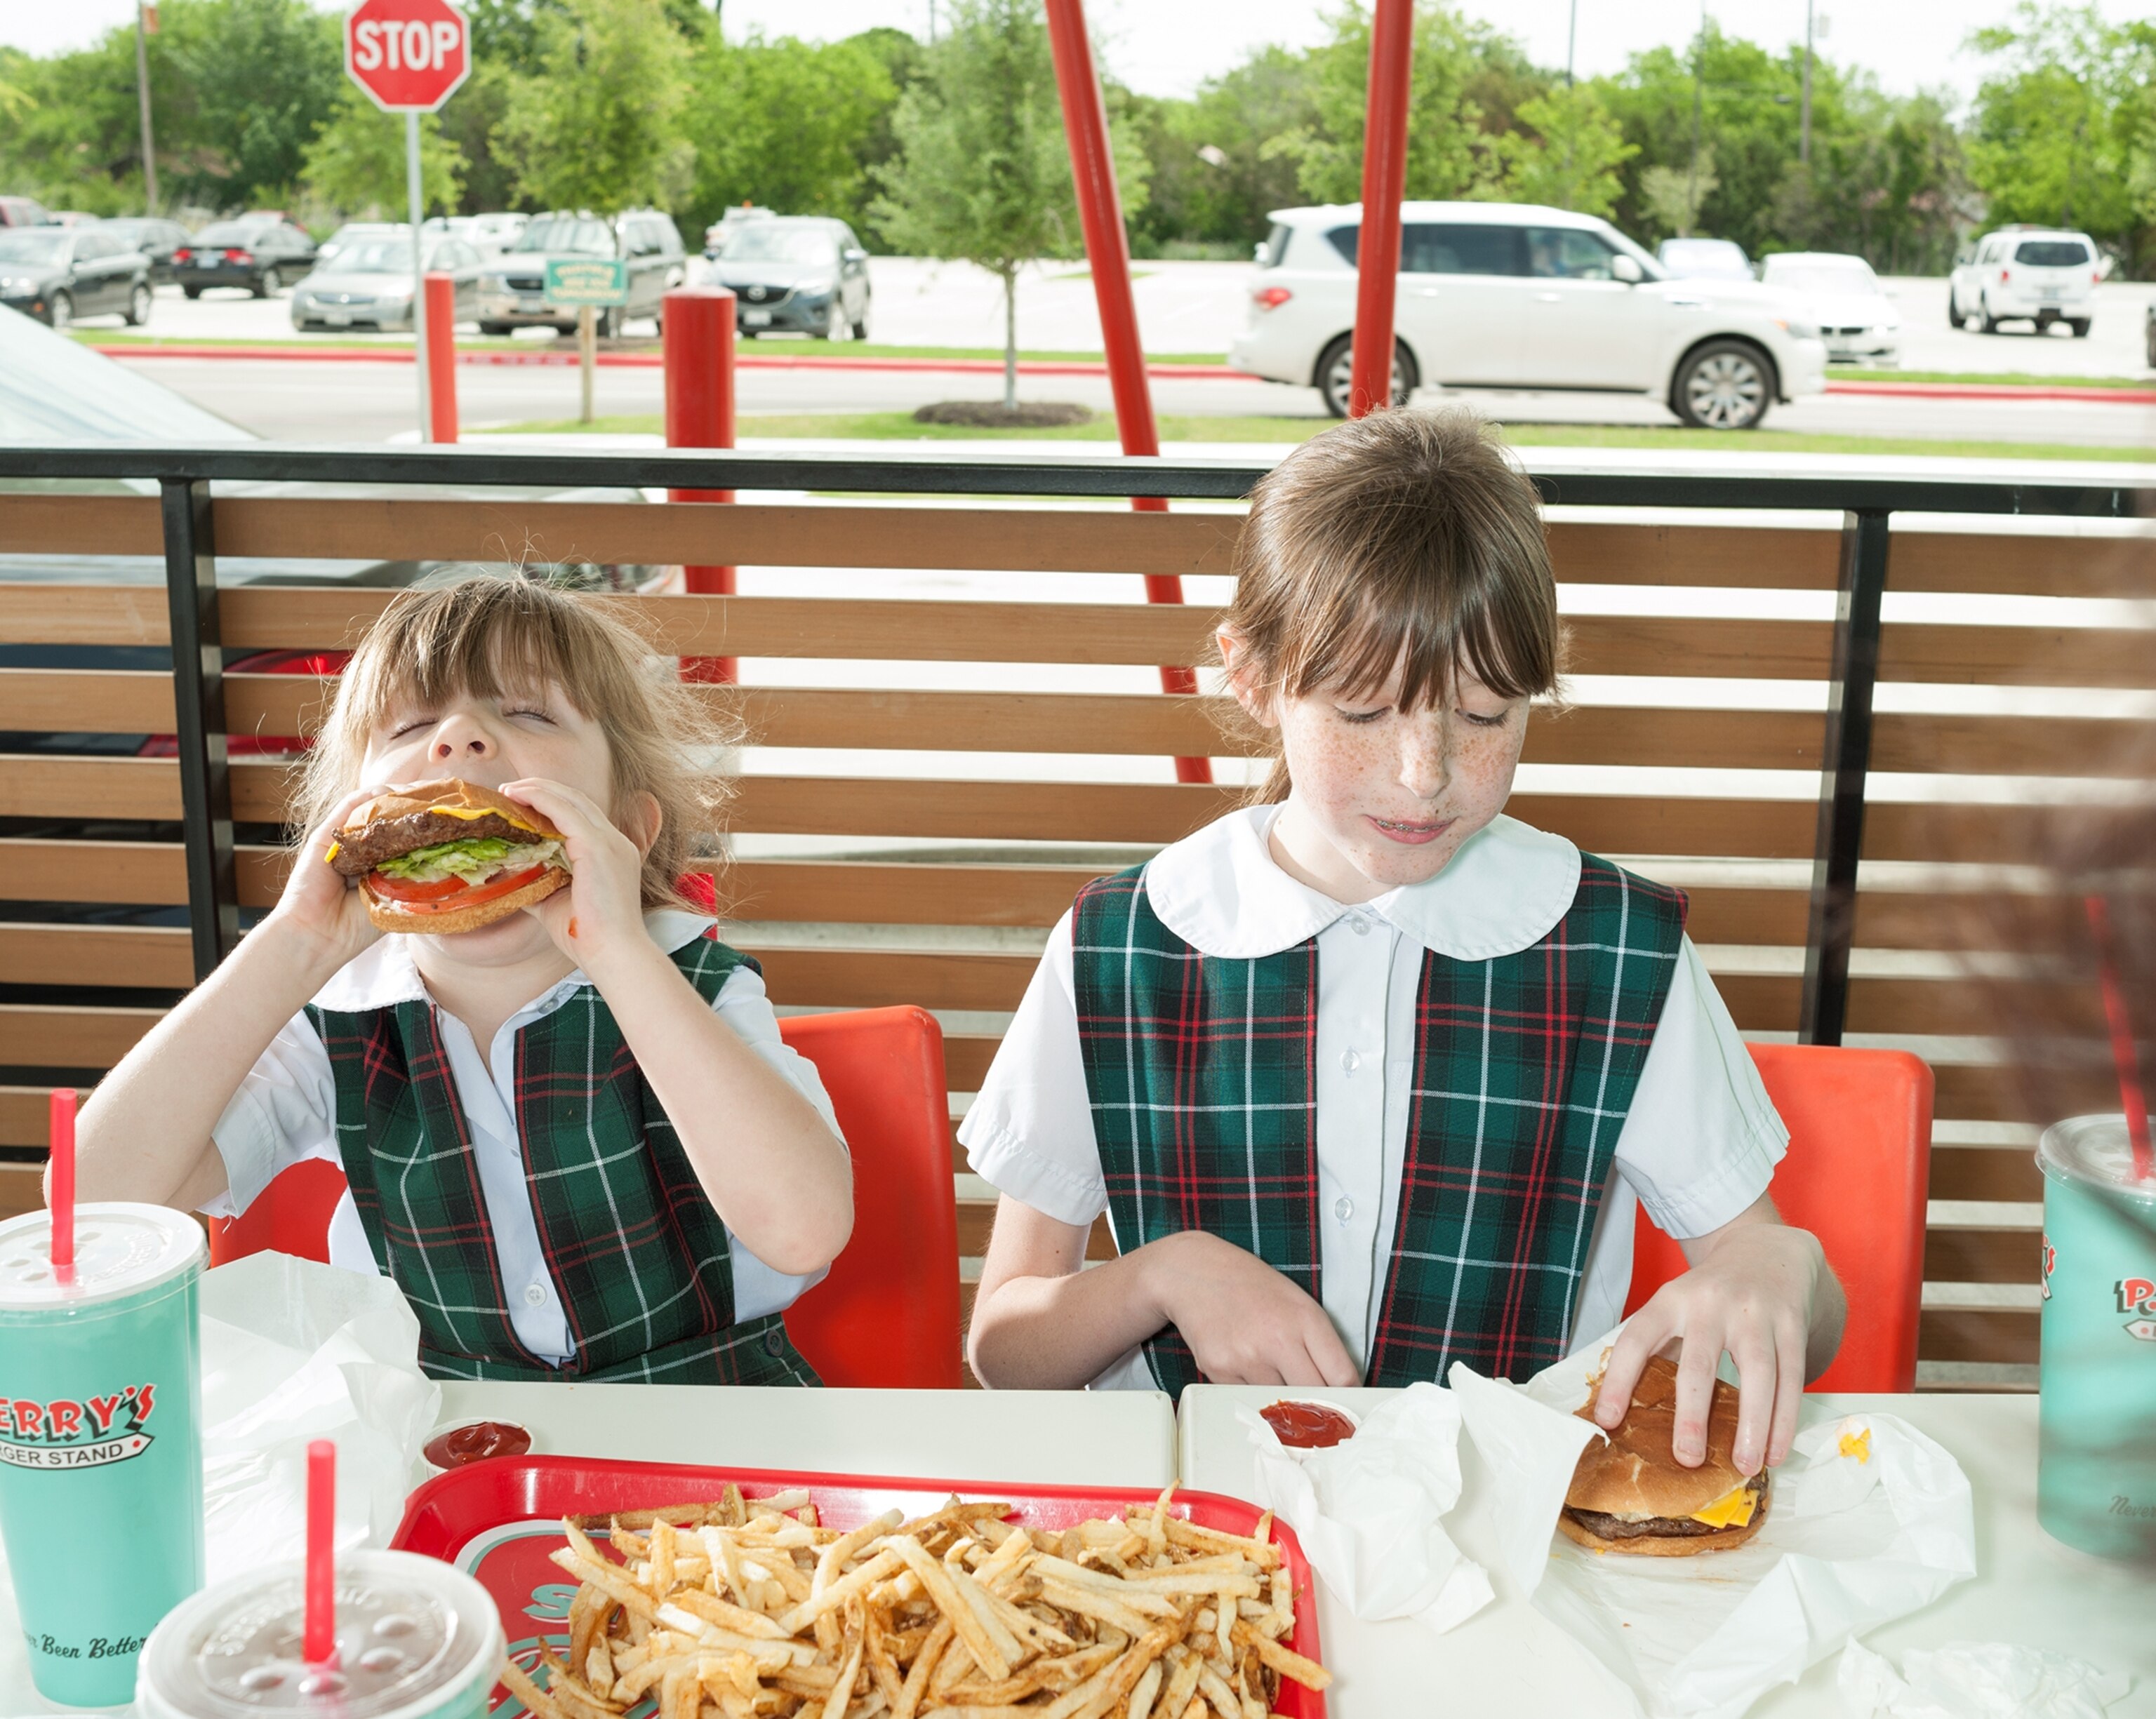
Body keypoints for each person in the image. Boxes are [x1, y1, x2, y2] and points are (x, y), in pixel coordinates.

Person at [964, 410, 1845, 1480]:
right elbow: (1004, 1348)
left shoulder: (1618, 947)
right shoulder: (1124, 940)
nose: (1425, 773)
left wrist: (1778, 1269)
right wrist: (1160, 1276)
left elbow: (1787, 1285)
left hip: (1507, 1543)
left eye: (1483, 716)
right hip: (1193, 1532)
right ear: (1252, 676)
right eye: (1366, 710)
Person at [73, 574, 853, 1384]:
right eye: (412, 724)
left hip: (709, 1421)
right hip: (438, 1426)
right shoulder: (340, 1019)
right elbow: (97, 1201)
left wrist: (618, 949)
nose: (460, 737)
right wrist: (296, 942)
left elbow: (804, 1229)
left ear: (625, 826)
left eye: (528, 713)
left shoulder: (696, 983)